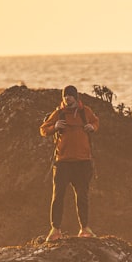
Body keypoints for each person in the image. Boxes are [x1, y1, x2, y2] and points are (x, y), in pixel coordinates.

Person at [39, 85, 100, 241]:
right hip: (63, 162)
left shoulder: (85, 112)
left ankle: (85, 229)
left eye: (70, 96)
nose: (67, 99)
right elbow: (43, 130)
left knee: (82, 196)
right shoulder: (58, 113)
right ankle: (55, 230)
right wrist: (55, 127)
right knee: (58, 196)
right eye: (65, 96)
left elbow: (96, 122)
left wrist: (92, 127)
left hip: (83, 162)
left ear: (76, 97)